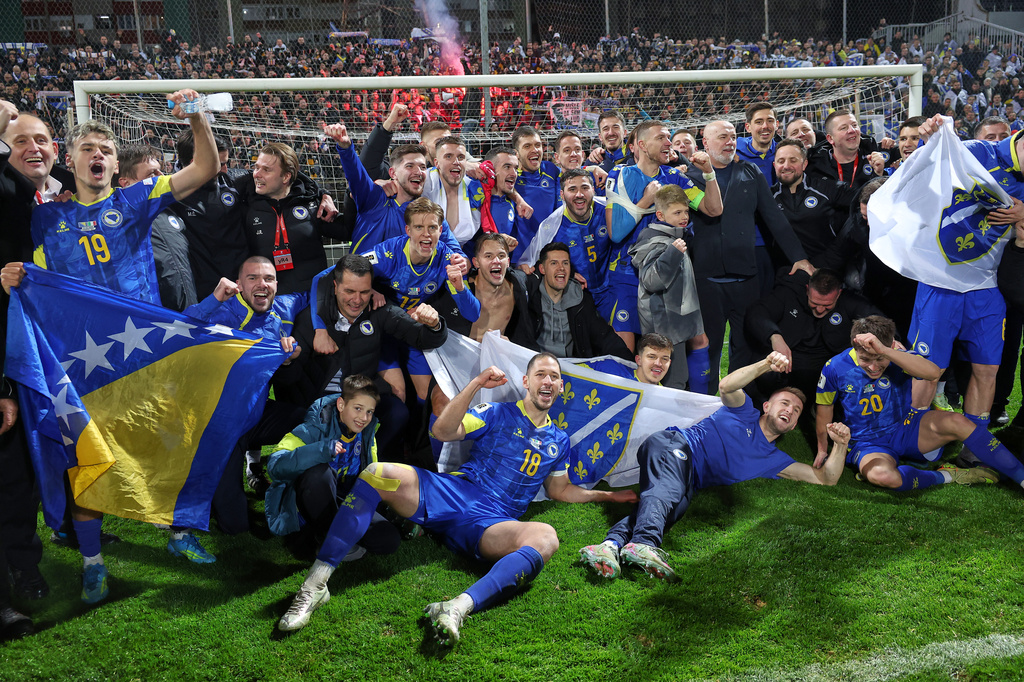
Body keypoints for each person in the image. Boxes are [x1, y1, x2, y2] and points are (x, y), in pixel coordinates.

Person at [1, 88, 219, 605]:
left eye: (105, 151)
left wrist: (196, 118)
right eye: (87, 150)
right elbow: (26, 271)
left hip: (146, 351)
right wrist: (14, 271)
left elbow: (205, 167)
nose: (96, 157)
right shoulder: (44, 218)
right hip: (86, 362)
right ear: (68, 159)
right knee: (90, 462)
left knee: (170, 443)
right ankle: (93, 562)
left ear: (115, 164)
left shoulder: (136, 199)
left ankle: (178, 533)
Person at [277, 353, 637, 641]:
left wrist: (605, 495)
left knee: (545, 536)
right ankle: (316, 584)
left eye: (554, 376)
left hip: (493, 521)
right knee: (377, 474)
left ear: (560, 387)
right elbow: (443, 430)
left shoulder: (559, 441)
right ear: (527, 382)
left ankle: (457, 607)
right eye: (540, 374)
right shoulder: (498, 413)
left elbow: (559, 490)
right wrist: (477, 383)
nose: (548, 380)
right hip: (454, 492)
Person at [579, 351, 849, 581]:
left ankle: (608, 546)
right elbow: (727, 387)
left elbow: (826, 478)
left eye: (797, 410)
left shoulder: (774, 460)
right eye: (785, 403)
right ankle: (645, 543)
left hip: (690, 478)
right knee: (669, 493)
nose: (790, 410)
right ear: (767, 406)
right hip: (675, 446)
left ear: (793, 424)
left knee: (670, 509)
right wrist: (766, 364)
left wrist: (840, 444)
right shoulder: (744, 411)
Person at [907, 117, 1024, 461]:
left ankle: (975, 445)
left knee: (987, 369)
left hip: (989, 288)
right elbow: (921, 176)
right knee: (929, 367)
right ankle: (916, 438)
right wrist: (929, 142)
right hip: (941, 280)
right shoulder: (977, 152)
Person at [816, 316, 1024, 491]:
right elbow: (825, 410)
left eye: (879, 358)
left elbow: (932, 373)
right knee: (883, 477)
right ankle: (949, 476)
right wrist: (823, 450)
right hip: (868, 443)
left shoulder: (898, 356)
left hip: (908, 428)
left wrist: (889, 352)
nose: (873, 367)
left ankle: (1021, 476)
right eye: (865, 359)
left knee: (958, 422)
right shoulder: (834, 367)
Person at [686, 120, 813, 394]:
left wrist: (798, 257)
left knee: (745, 347)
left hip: (746, 277)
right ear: (705, 143)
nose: (730, 142)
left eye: (733, 137)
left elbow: (774, 219)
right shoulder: (689, 176)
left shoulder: (750, 171)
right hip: (706, 279)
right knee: (708, 348)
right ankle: (704, 405)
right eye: (722, 137)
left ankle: (740, 405)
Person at [184, 256, 307, 537]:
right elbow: (183, 328)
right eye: (252, 278)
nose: (262, 284)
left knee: (307, 421)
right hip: (220, 425)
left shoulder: (284, 307)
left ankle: (295, 492)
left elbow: (320, 287)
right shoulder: (222, 311)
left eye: (269, 278)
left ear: (277, 283)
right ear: (238, 284)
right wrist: (215, 297)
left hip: (256, 415)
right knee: (234, 527)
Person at [293, 254, 449, 458]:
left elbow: (422, 338)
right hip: (322, 400)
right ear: (334, 286)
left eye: (364, 292)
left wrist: (435, 325)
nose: (357, 300)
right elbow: (290, 377)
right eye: (349, 291)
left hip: (363, 394)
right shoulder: (311, 320)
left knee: (397, 413)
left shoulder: (380, 310)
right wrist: (288, 358)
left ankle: (372, 463)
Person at [605, 120, 722, 352]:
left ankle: (691, 390)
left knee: (693, 343)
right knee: (626, 348)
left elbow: (713, 209)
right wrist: (646, 202)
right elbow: (616, 233)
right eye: (661, 138)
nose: (669, 143)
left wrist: (709, 173)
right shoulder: (620, 174)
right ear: (642, 145)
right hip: (628, 275)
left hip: (669, 276)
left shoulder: (674, 177)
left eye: (669, 137)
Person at [265, 374, 400, 558]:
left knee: (388, 539)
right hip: (311, 503)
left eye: (369, 411)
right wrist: (321, 450)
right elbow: (275, 466)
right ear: (341, 405)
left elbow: (371, 474)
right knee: (318, 474)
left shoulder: (367, 434)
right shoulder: (313, 428)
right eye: (358, 408)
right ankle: (328, 539)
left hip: (345, 500)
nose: (364, 417)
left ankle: (334, 541)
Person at [744, 268, 882, 407]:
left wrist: (890, 342)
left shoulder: (851, 301)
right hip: (789, 362)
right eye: (814, 303)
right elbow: (757, 313)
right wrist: (774, 336)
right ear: (807, 289)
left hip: (829, 367)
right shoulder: (788, 294)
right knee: (765, 373)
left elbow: (879, 321)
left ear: (839, 294)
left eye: (827, 305)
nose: (820, 310)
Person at [326, 122, 464, 258]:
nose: (418, 172)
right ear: (393, 173)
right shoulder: (373, 197)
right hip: (363, 277)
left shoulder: (430, 212)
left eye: (422, 167)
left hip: (404, 280)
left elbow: (456, 251)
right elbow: (357, 175)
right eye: (410, 166)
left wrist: (461, 261)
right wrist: (346, 147)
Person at [628, 184, 710, 391]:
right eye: (677, 212)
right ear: (660, 215)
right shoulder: (656, 241)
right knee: (673, 382)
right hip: (664, 326)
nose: (684, 217)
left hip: (673, 323)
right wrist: (672, 255)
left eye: (686, 211)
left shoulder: (674, 237)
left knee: (677, 380)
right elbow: (651, 281)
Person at [241, 142, 342, 295]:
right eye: (256, 167)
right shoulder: (245, 205)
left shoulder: (311, 203)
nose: (256, 174)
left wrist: (352, 194)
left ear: (286, 176)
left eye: (266, 169)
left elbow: (347, 231)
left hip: (312, 297)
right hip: (269, 301)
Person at [515, 242, 631, 360]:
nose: (561, 268)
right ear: (542, 269)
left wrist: (630, 366)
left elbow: (606, 338)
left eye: (565, 263)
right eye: (554, 263)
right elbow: (507, 281)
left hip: (570, 371)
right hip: (534, 366)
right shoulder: (528, 294)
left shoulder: (581, 300)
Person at [115, 143, 197, 311]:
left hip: (189, 311)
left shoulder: (172, 211)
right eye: (152, 173)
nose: (161, 176)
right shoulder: (118, 224)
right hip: (153, 317)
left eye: (160, 170)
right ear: (126, 182)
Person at [770, 139, 847, 269]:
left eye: (793, 160)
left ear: (804, 164)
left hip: (827, 269)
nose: (786, 166)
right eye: (781, 161)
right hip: (788, 272)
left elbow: (863, 199)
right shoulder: (768, 197)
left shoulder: (826, 188)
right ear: (774, 165)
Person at [805, 109, 887, 207]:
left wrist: (878, 174)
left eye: (854, 125)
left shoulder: (874, 158)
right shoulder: (816, 167)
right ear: (830, 139)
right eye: (843, 128)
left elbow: (882, 202)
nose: (852, 130)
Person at [510, 126, 560, 264]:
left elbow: (571, 171)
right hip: (522, 259)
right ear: (517, 154)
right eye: (527, 146)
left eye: (538, 145)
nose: (535, 150)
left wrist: (592, 168)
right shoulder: (510, 178)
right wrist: (517, 197)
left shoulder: (551, 169)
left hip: (551, 256)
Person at [585, 332, 674, 385]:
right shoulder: (609, 369)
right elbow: (573, 371)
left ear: (669, 363)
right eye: (652, 357)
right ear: (638, 360)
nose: (658, 363)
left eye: (664, 359)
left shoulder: (665, 400)